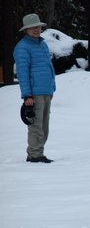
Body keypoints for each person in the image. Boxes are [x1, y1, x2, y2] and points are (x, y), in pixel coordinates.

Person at [13, 14, 56, 163]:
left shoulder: (42, 44)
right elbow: (23, 73)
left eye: (38, 26)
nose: (37, 29)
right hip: (34, 94)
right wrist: (27, 96)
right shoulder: (22, 47)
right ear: (26, 30)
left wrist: (52, 89)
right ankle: (35, 155)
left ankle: (38, 152)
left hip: (45, 91)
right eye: (33, 27)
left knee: (44, 127)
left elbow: (48, 68)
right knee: (36, 127)